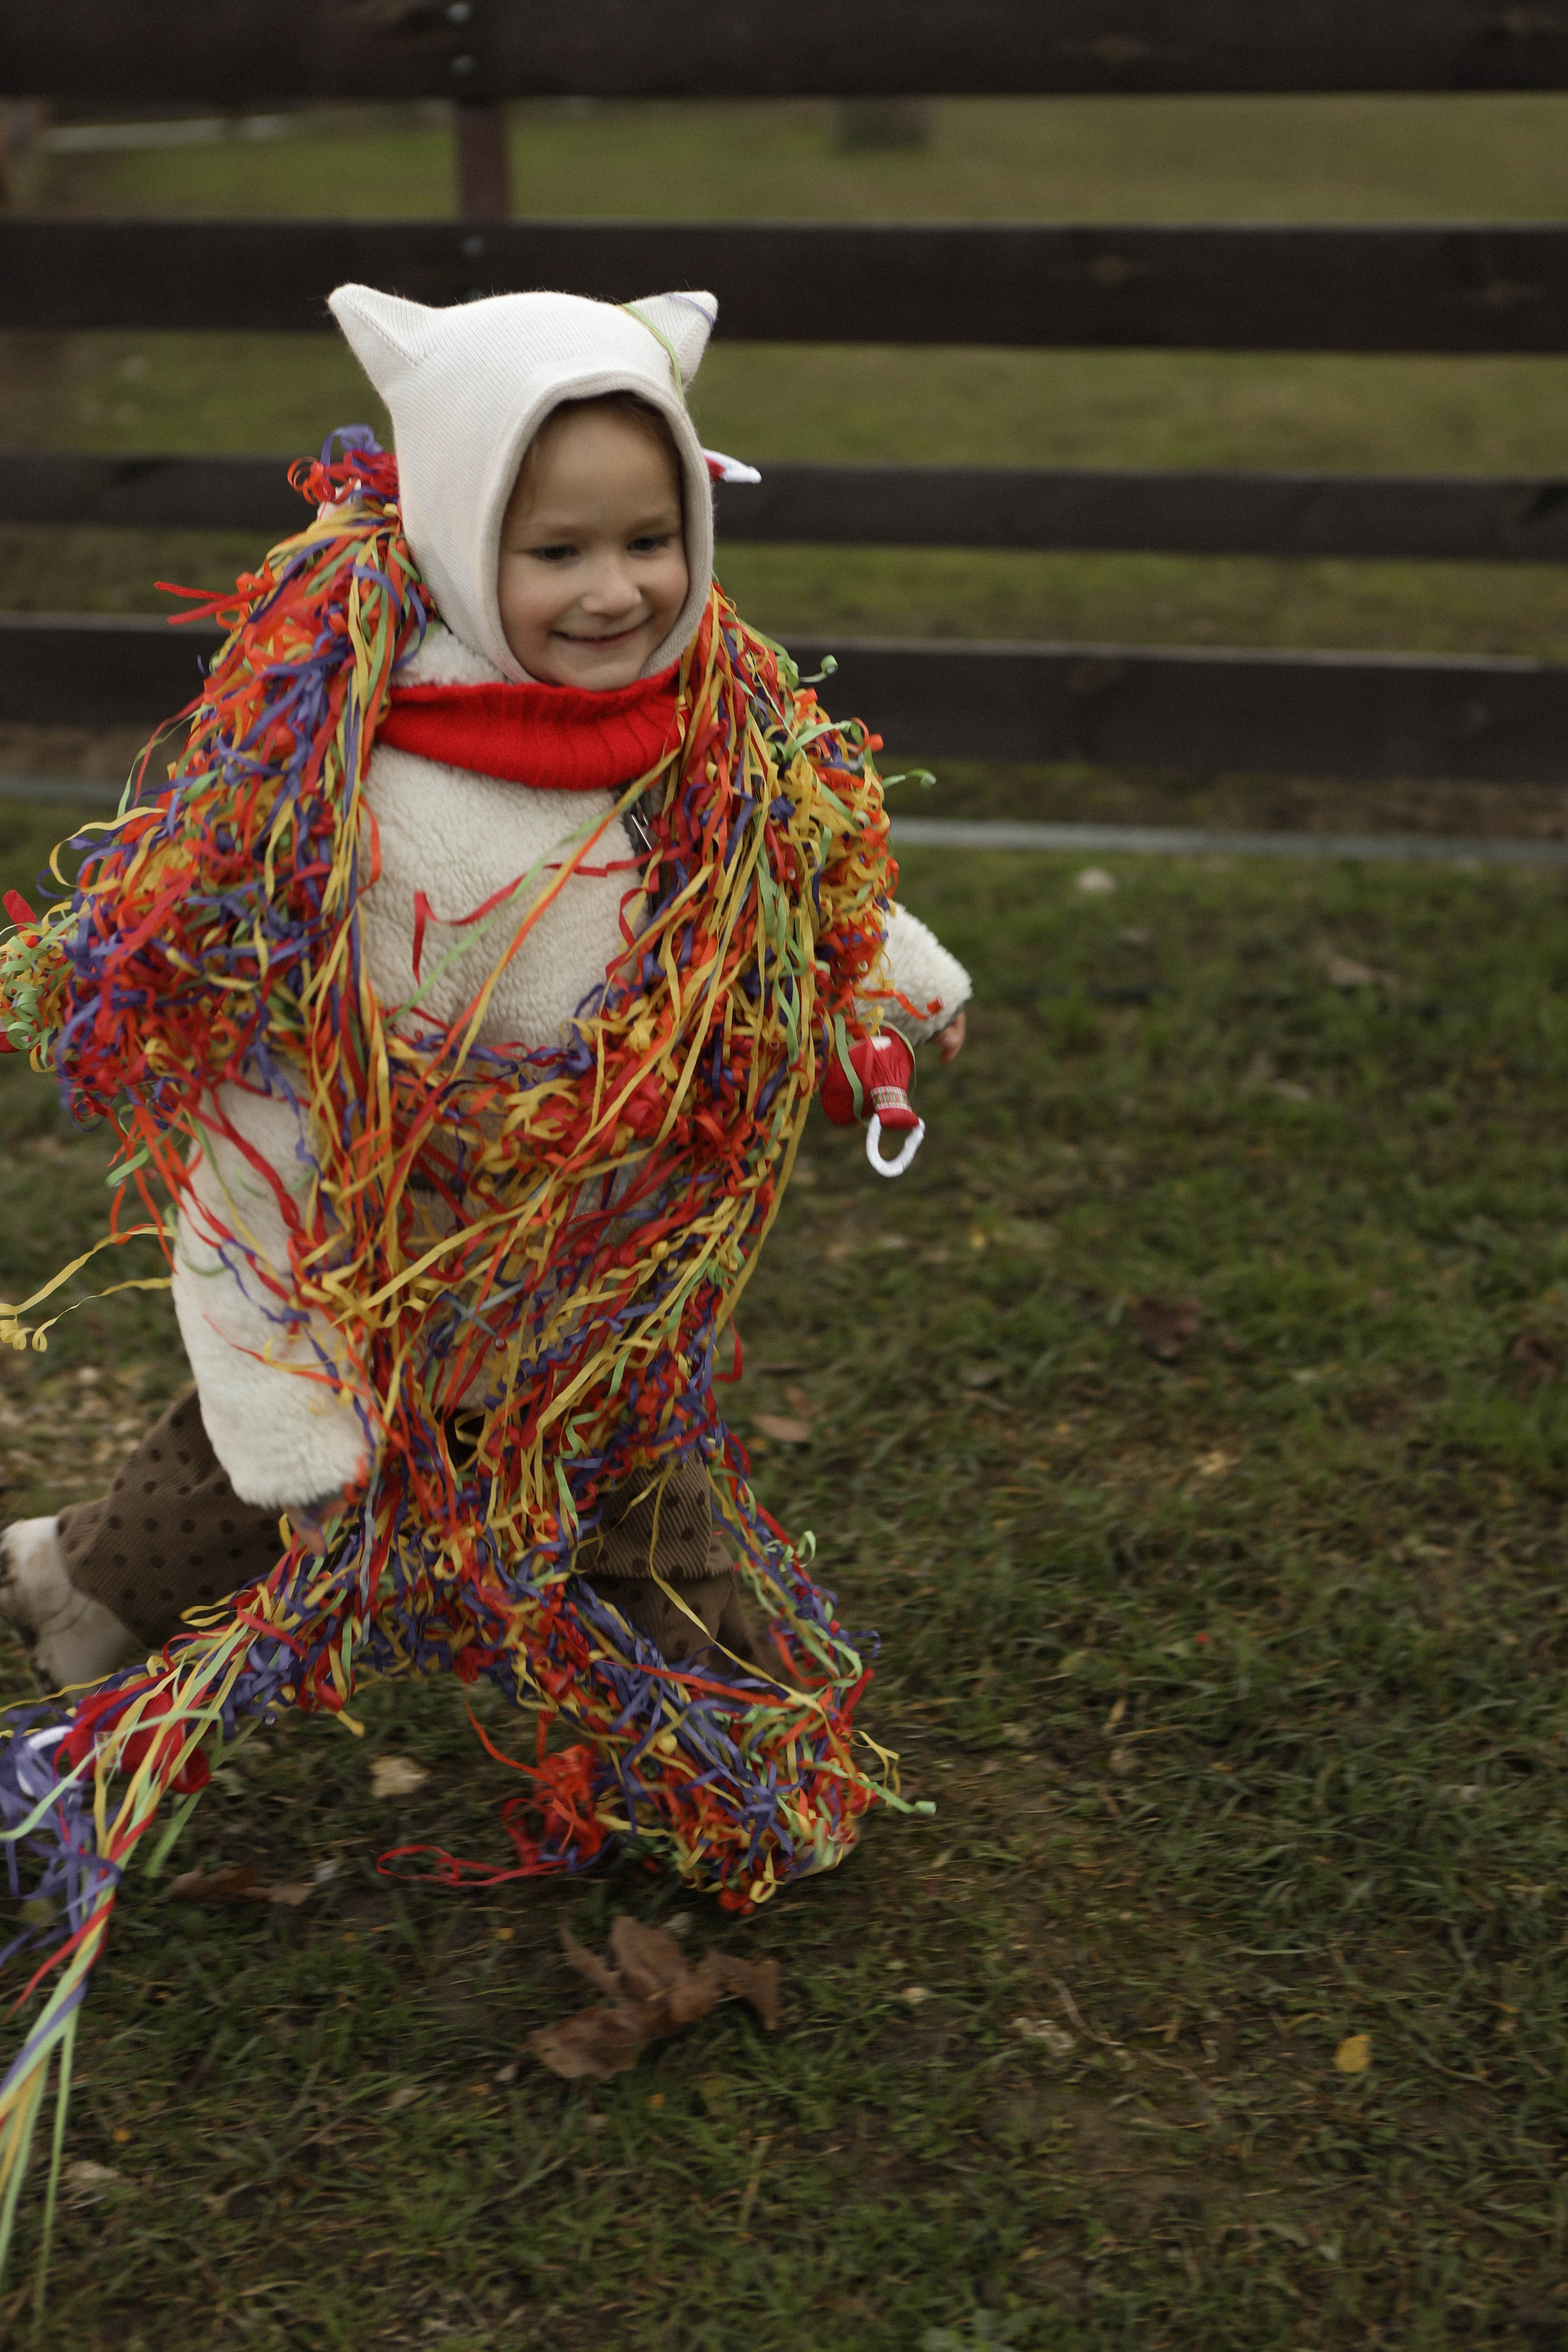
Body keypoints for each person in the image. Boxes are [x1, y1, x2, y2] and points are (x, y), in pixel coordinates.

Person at [0, 282, 970, 1699]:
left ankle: (729, 1725)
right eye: (554, 548)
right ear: (459, 539)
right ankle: (88, 1584)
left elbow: (792, 882)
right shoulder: (370, 792)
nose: (614, 589)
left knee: (630, 1471)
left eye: (650, 541)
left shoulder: (715, 722)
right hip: (410, 1234)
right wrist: (280, 1325)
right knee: (286, 1459)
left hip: (602, 1254)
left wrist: (887, 987)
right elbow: (272, 1058)